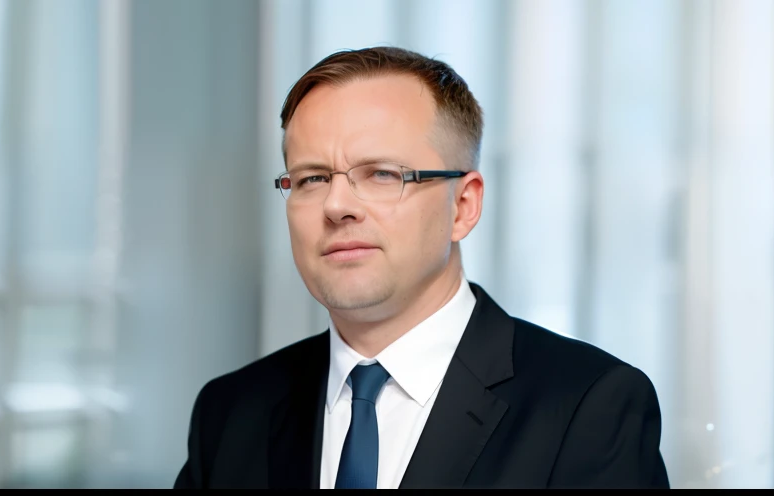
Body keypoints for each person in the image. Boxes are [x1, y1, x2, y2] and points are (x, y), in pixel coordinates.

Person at [173, 46, 670, 489]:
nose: (337, 204)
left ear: (463, 206)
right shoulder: (232, 412)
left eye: (383, 174)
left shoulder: (586, 407)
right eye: (311, 178)